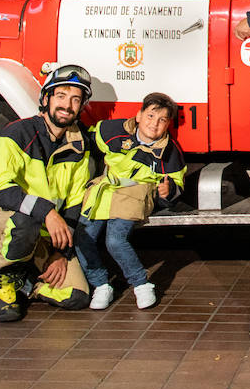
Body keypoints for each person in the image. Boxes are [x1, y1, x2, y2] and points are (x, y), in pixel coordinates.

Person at [0, 64, 97, 322]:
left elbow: (74, 205)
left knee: (77, 297)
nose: (67, 105)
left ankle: (24, 282)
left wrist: (60, 253)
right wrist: (47, 212)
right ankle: (3, 279)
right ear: (46, 99)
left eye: (76, 99)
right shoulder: (15, 134)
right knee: (26, 222)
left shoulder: (79, 146)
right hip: (3, 223)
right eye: (60, 96)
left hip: (43, 236)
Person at [75, 92, 186, 311]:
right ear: (139, 115)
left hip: (136, 192)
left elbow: (177, 180)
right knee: (82, 236)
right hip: (104, 190)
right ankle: (100, 284)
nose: (154, 124)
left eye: (162, 120)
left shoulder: (169, 150)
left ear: (168, 125)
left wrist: (168, 190)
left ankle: (141, 284)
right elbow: (86, 137)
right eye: (151, 116)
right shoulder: (112, 131)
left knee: (115, 240)